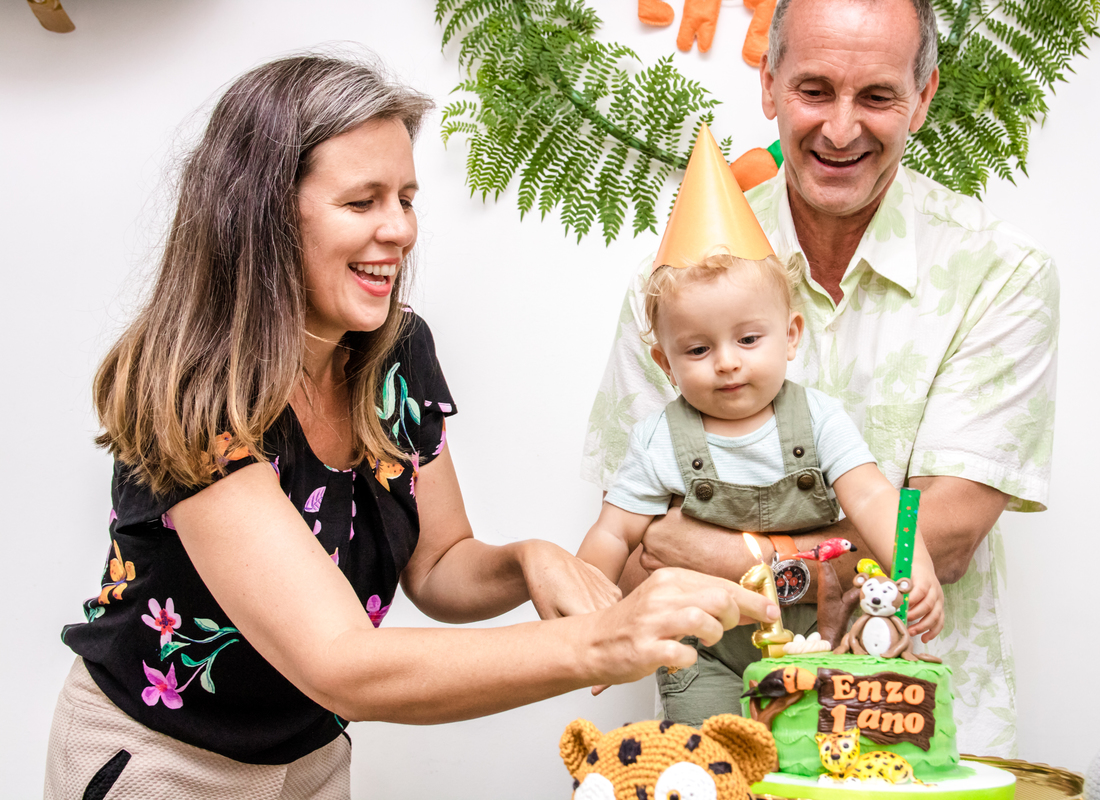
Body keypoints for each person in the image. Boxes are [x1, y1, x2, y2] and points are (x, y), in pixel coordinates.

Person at [45, 53, 779, 800]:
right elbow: (341, 664)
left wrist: (527, 560)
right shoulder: (193, 391)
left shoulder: (396, 353)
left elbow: (439, 564)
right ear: (263, 213)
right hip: (164, 761)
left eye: (405, 198)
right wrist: (599, 642)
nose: (399, 229)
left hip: (311, 756)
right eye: (362, 202)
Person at [582, 0, 1058, 757]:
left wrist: (738, 559)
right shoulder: (672, 286)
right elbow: (640, 545)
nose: (841, 129)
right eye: (814, 90)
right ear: (768, 84)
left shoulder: (999, 274)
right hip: (725, 730)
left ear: (923, 97)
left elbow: (947, 536)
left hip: (916, 729)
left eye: (877, 95)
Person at [574, 127, 944, 724]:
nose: (726, 362)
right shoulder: (658, 439)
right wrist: (590, 631)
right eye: (698, 349)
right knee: (712, 755)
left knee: (811, 754)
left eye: (748, 339)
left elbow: (873, 497)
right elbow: (614, 535)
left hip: (816, 645)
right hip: (702, 651)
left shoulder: (819, 419)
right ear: (664, 362)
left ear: (790, 336)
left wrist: (914, 566)